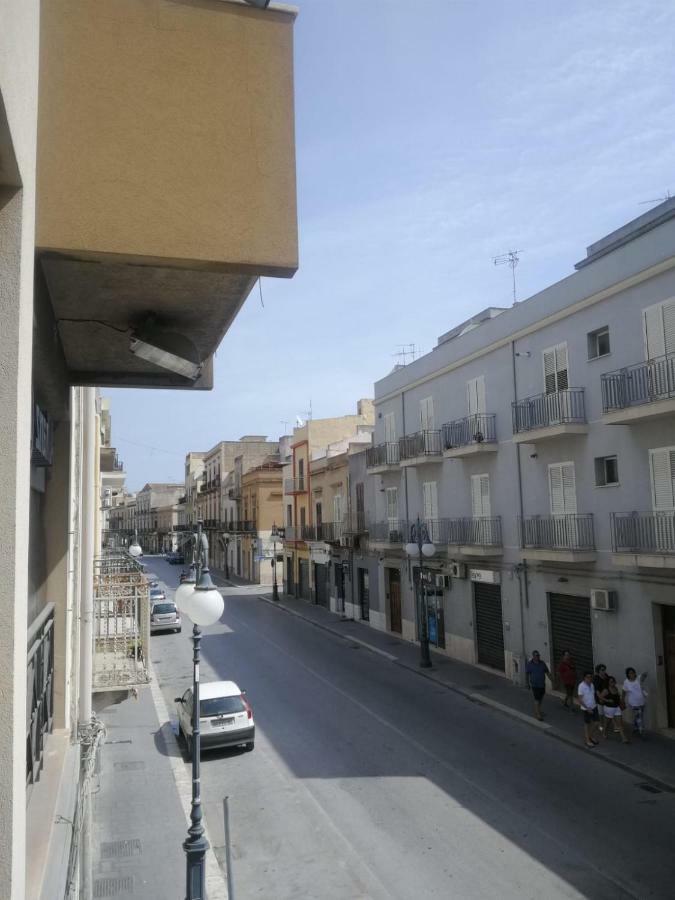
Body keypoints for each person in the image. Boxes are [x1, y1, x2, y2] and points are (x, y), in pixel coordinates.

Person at [598, 675, 629, 743]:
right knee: (607, 722)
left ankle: (624, 738)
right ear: (608, 682)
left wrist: (621, 701)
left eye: (613, 681)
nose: (613, 683)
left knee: (620, 723)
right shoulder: (606, 690)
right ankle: (604, 732)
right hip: (609, 708)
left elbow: (618, 696)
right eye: (611, 681)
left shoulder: (615, 688)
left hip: (617, 707)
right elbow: (600, 697)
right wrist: (607, 700)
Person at [577, 671, 601, 748]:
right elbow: (580, 699)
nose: (590, 678)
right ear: (584, 678)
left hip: (594, 706)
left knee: (596, 723)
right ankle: (587, 740)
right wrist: (587, 708)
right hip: (586, 708)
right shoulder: (581, 686)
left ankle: (590, 736)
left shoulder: (592, 685)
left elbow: (593, 695)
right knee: (587, 724)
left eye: (590, 677)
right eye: (588, 677)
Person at [526, 650, 550, 721]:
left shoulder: (542, 663)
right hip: (535, 685)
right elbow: (527, 674)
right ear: (533, 656)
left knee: (540, 698)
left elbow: (547, 672)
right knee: (537, 699)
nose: (538, 657)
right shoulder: (530, 664)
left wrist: (553, 680)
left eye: (538, 655)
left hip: (542, 684)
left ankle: (538, 710)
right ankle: (538, 715)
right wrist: (527, 683)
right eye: (536, 656)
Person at [622, 667, 647, 736]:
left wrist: (644, 674)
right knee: (639, 717)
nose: (632, 674)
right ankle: (642, 731)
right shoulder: (626, 682)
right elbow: (623, 692)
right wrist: (622, 700)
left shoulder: (638, 679)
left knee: (638, 715)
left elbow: (644, 676)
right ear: (628, 674)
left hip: (642, 702)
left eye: (633, 672)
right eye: (630, 673)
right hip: (634, 703)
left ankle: (635, 727)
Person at [593, 663, 610, 731]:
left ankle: (606, 725)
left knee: (607, 712)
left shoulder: (606, 676)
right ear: (598, 671)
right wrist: (601, 698)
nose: (604, 671)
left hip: (607, 696)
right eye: (602, 670)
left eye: (604, 670)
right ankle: (600, 725)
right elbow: (597, 691)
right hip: (599, 697)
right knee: (601, 713)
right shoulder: (596, 679)